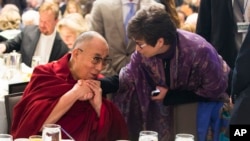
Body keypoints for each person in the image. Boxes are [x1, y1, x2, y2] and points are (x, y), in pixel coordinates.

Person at [113, 5, 230, 141]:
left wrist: (171, 95)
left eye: (139, 44)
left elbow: (215, 89)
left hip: (202, 111)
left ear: (160, 42)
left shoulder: (199, 50)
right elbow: (128, 76)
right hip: (166, 115)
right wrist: (99, 83)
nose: (137, 49)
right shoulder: (143, 53)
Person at [11, 31, 129, 141]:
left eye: (104, 61)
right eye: (96, 59)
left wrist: (99, 107)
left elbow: (114, 134)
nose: (100, 67)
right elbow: (35, 127)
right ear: (76, 54)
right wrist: (74, 94)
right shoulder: (46, 74)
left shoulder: (94, 85)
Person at [90, 0, 163, 77]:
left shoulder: (156, 8)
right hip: (107, 77)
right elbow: (93, 45)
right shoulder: (101, 6)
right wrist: (111, 77)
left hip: (144, 79)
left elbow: (158, 49)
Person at [0, 2, 68, 67]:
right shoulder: (28, 31)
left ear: (56, 21)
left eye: (47, 22)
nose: (42, 25)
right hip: (26, 76)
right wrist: (3, 46)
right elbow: (12, 43)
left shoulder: (63, 43)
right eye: (41, 20)